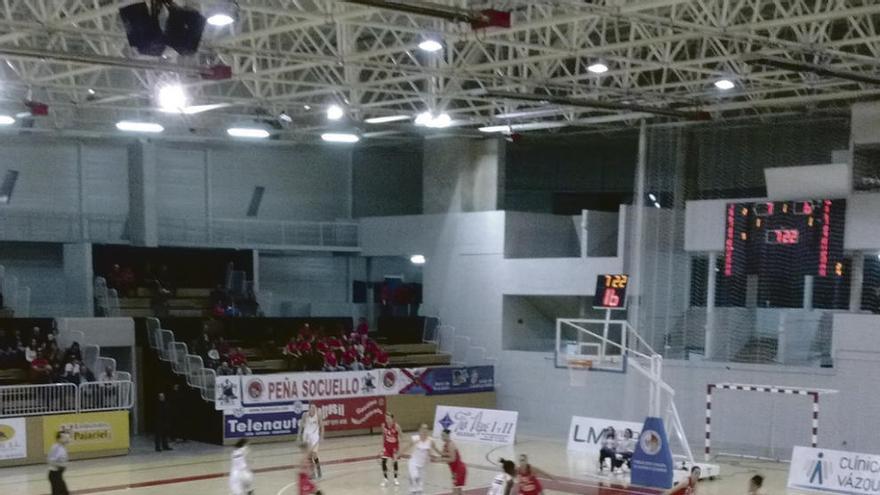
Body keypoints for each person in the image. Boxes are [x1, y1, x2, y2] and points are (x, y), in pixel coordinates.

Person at [402, 424, 436, 495]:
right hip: (413, 463)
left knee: (420, 486)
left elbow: (432, 451)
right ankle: (412, 487)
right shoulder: (415, 439)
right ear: (419, 430)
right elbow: (406, 447)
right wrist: (398, 455)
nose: (424, 430)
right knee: (415, 476)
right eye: (423, 429)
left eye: (426, 429)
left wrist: (434, 457)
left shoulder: (430, 441)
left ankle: (416, 491)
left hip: (423, 465)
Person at [298, 404, 324, 479]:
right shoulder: (305, 415)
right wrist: (298, 436)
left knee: (314, 454)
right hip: (306, 437)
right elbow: (301, 426)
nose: (313, 409)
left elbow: (322, 426)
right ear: (309, 409)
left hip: (315, 437)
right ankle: (312, 473)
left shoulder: (318, 415)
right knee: (309, 456)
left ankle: (318, 469)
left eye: (314, 408)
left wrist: (322, 436)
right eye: (312, 408)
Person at [439, 429, 467, 495]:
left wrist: (438, 460)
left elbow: (452, 459)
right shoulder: (445, 445)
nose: (442, 437)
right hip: (455, 470)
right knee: (459, 491)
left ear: (448, 436)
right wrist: (433, 448)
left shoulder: (451, 444)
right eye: (441, 435)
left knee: (456, 491)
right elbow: (442, 455)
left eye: (443, 435)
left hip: (459, 469)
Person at [380, 412, 402, 486]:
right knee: (383, 462)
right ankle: (385, 479)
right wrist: (382, 447)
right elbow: (383, 436)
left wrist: (399, 449)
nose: (387, 420)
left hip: (394, 447)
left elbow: (401, 436)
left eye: (388, 418)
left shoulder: (396, 426)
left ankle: (396, 479)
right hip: (386, 446)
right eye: (386, 418)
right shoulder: (383, 426)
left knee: (395, 462)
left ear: (392, 419)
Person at [47, 430, 70, 495]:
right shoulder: (55, 448)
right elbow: (50, 460)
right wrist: (60, 466)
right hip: (54, 474)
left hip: (58, 474)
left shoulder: (63, 447)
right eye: (65, 437)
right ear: (59, 439)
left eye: (67, 437)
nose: (67, 439)